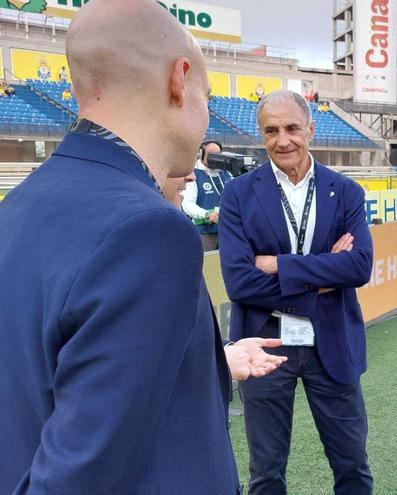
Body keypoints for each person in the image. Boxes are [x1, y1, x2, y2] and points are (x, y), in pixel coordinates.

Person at [0, 0, 286, 493]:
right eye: (207, 94)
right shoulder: (150, 229)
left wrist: (214, 359)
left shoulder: (20, 204)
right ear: (180, 79)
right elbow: (82, 475)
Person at [219, 89, 374, 495]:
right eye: (271, 131)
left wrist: (279, 265)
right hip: (265, 344)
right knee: (266, 473)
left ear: (310, 128)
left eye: (291, 128)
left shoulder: (347, 192)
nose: (282, 140)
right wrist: (324, 277)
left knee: (352, 466)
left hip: (332, 341)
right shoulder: (238, 194)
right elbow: (239, 281)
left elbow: (358, 266)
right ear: (260, 134)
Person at [182, 140, 232, 251]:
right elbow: (187, 204)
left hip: (226, 231)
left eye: (217, 155)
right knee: (207, 266)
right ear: (202, 154)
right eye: (211, 155)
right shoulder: (194, 174)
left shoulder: (226, 173)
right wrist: (207, 214)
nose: (215, 158)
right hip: (204, 232)